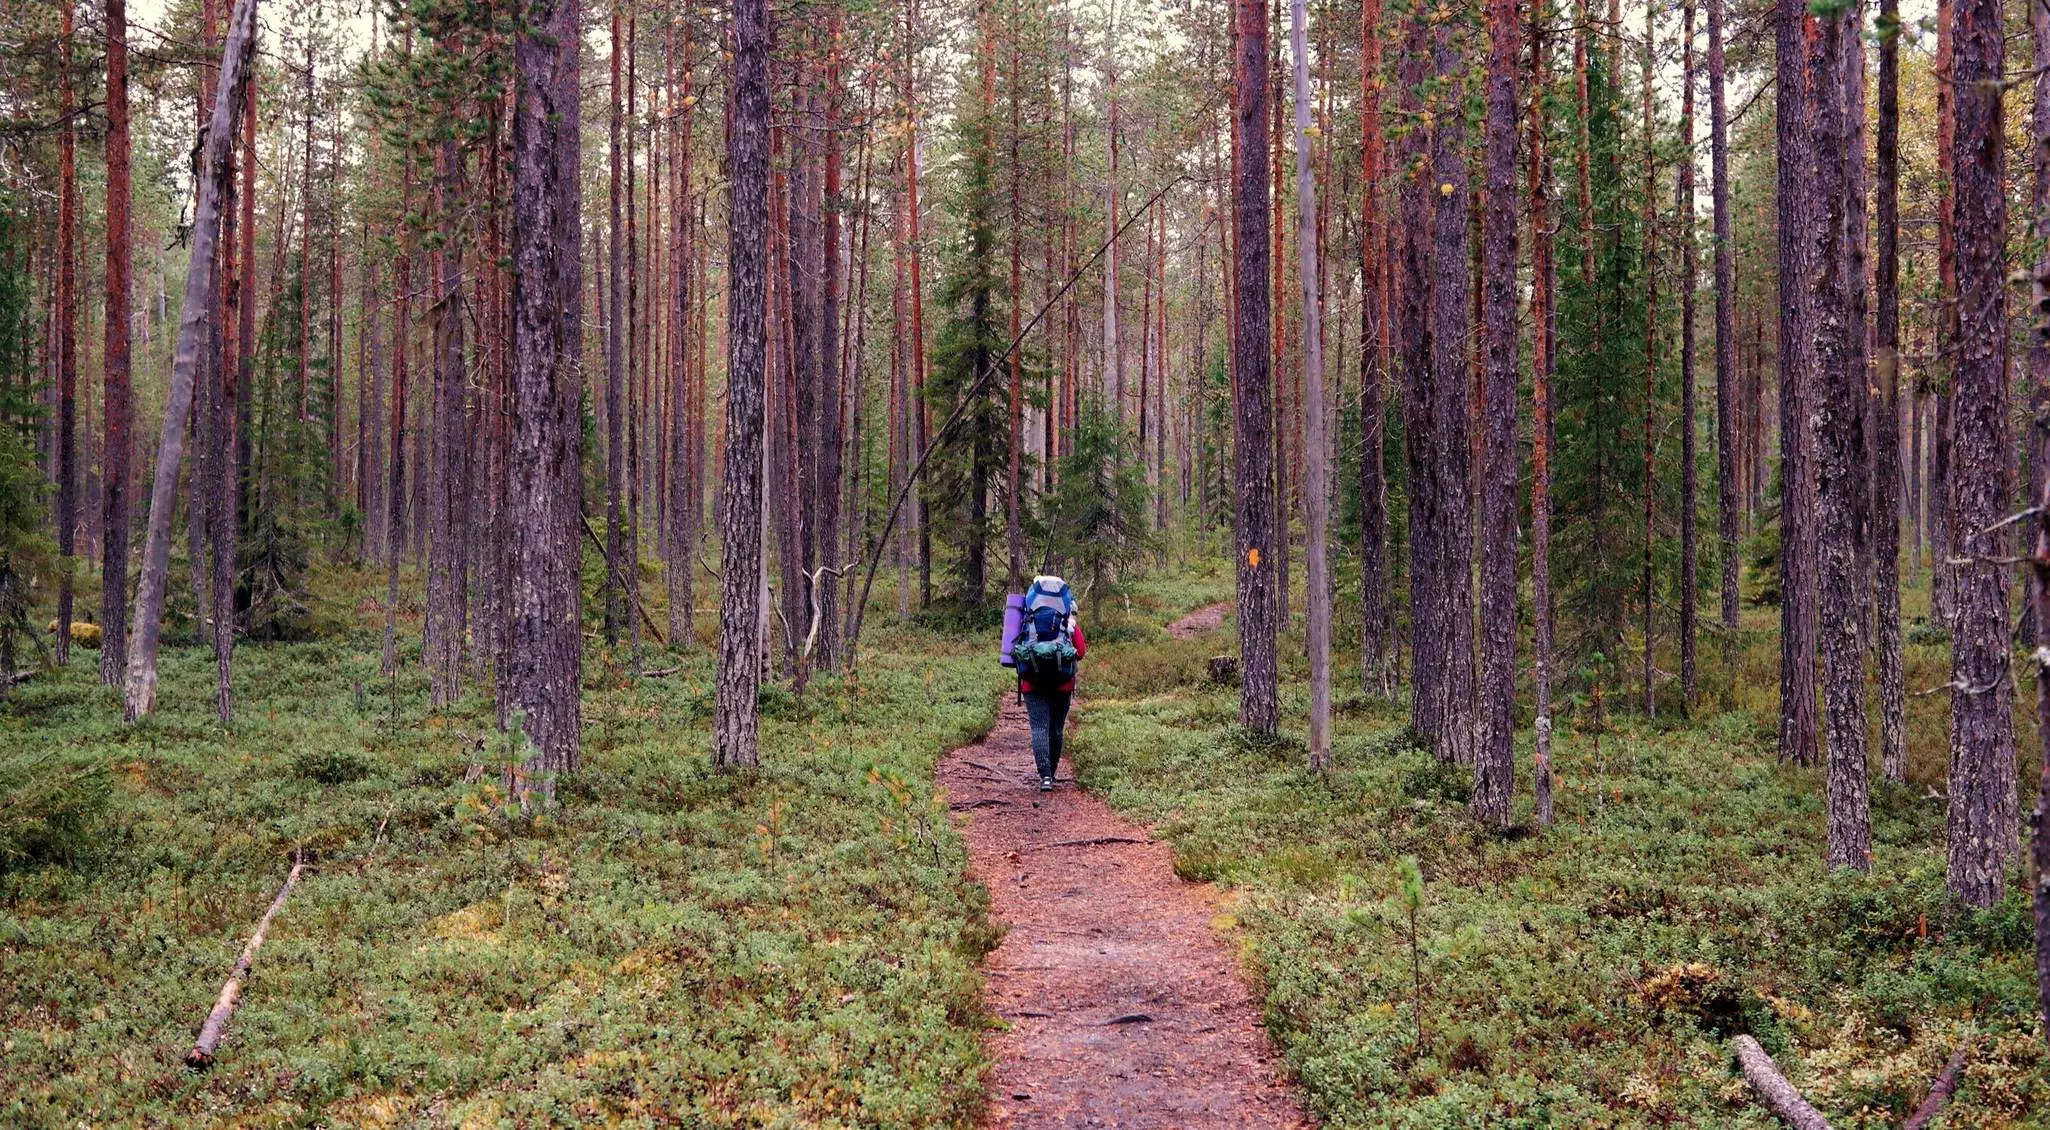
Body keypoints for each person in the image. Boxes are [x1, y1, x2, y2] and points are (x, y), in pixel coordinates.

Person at [1011, 575, 1086, 792]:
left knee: (1039, 728)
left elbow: (1014, 648)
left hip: (1032, 683)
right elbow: (1080, 652)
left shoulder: (1029, 620)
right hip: (1062, 683)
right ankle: (1051, 772)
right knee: (1056, 729)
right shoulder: (1067, 624)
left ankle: (1045, 778)